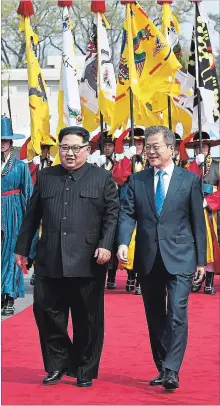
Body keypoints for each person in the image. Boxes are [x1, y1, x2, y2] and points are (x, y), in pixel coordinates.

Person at [15, 126, 119, 388]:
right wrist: (21, 248)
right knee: (46, 313)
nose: (69, 153)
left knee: (88, 318)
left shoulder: (101, 177)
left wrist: (106, 245)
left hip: (88, 260)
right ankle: (58, 364)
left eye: (75, 148)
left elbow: (111, 215)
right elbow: (32, 215)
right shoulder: (47, 176)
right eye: (65, 147)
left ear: (87, 150)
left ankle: (84, 368)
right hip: (50, 258)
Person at [117, 126, 206, 391]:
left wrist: (201, 261)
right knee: (155, 316)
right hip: (148, 258)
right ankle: (163, 365)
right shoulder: (138, 180)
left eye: (156, 146)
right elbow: (127, 213)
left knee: (177, 313)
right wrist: (123, 242)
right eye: (148, 147)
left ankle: (171, 369)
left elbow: (197, 223)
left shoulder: (188, 180)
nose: (151, 151)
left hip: (181, 257)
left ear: (171, 148)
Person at [1, 116, 33, 316]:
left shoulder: (20, 166)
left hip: (13, 211)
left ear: (11, 143)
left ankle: (10, 296)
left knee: (13, 254)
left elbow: (28, 193)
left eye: (4, 140)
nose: (1, 144)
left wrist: (29, 220)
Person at [114, 127, 149, 295]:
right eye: (135, 142)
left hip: (147, 205)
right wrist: (128, 158)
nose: (138, 145)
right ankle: (130, 275)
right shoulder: (126, 160)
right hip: (128, 204)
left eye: (141, 142)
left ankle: (142, 279)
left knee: (145, 242)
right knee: (129, 242)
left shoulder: (150, 160)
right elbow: (118, 178)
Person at [186, 131, 220, 294]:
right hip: (193, 209)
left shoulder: (218, 165)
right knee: (195, 242)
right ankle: (196, 279)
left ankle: (209, 282)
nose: (201, 149)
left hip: (210, 210)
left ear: (209, 148)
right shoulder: (189, 166)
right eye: (198, 147)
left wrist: (210, 200)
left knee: (212, 244)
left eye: (204, 146)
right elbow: (186, 184)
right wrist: (195, 165)